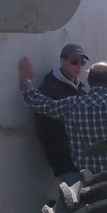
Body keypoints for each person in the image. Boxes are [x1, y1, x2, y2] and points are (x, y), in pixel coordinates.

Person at [18, 59, 107, 177]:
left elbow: (42, 104)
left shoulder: (73, 105)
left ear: (89, 81)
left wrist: (26, 82)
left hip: (87, 179)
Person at [31, 43, 89, 181]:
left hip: (83, 162)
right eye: (74, 61)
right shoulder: (49, 89)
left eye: (82, 62)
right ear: (62, 61)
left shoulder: (81, 91)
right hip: (64, 161)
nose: (79, 66)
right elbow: (46, 128)